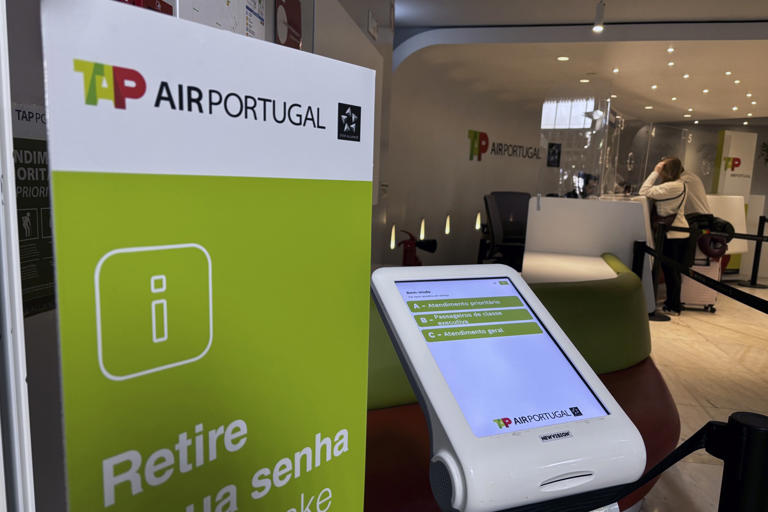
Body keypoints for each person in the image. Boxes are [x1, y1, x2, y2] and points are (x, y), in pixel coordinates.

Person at [639, 158, 689, 315]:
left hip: (674, 234)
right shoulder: (678, 185)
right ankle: (672, 304)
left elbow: (644, 191)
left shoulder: (674, 186)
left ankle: (673, 306)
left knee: (671, 271)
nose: (661, 172)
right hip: (674, 233)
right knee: (670, 271)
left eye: (663, 169)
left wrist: (654, 172)